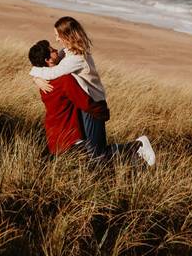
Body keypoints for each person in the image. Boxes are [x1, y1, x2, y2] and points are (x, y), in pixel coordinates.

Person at [28, 19, 155, 166]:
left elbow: (53, 73)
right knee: (95, 152)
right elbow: (50, 68)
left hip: (93, 105)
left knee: (97, 155)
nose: (56, 40)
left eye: (58, 35)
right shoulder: (66, 53)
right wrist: (36, 78)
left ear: (68, 35)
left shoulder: (76, 59)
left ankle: (138, 146)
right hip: (85, 104)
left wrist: (34, 74)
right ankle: (136, 161)